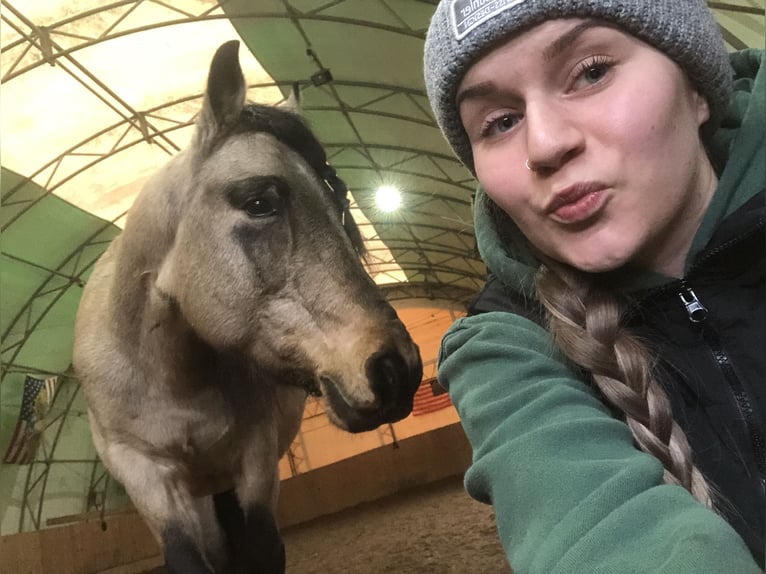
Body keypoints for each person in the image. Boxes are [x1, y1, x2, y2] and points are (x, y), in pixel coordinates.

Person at [424, 1, 764, 572]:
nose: (546, 145)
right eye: (501, 122)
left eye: (592, 71)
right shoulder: (503, 352)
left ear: (698, 90)